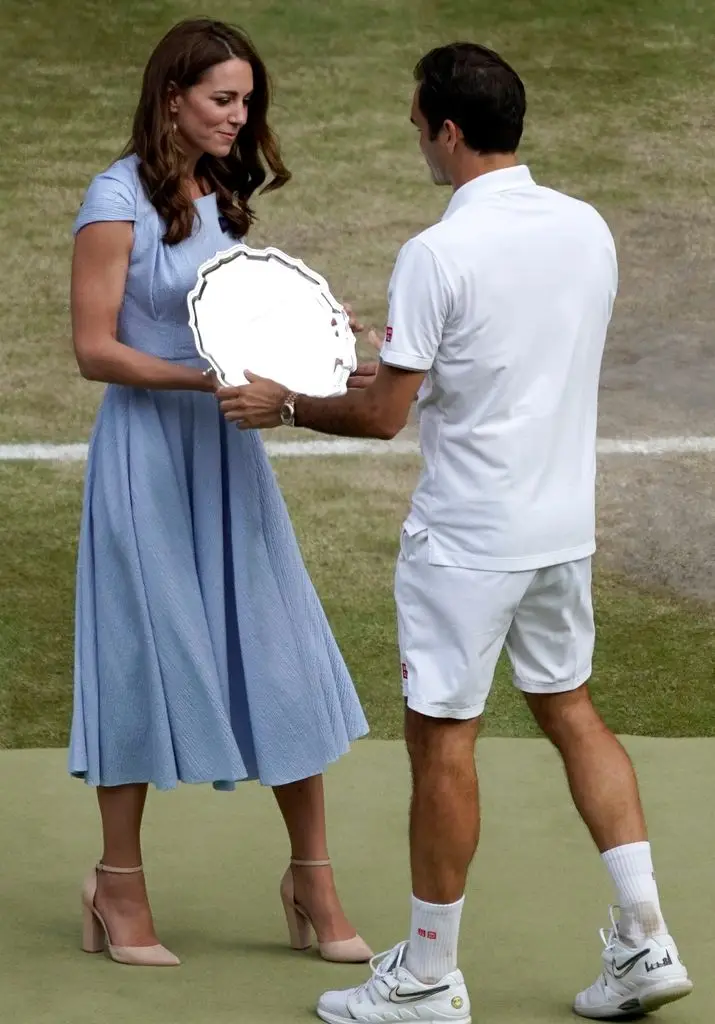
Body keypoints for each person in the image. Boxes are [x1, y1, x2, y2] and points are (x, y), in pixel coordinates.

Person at [217, 41, 694, 1021]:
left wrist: (289, 405)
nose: (414, 141)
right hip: (561, 526)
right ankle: (646, 940)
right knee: (571, 710)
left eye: (414, 125)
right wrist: (394, 371)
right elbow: (503, 361)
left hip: (467, 541)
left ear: (446, 129)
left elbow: (388, 416)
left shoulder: (437, 251)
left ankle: (428, 976)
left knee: (442, 744)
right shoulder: (585, 228)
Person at [68, 17, 372, 969]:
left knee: (275, 654)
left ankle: (311, 878)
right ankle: (119, 890)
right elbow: (95, 349)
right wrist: (208, 380)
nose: (241, 117)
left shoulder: (220, 190)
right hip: (147, 457)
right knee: (139, 660)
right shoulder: (112, 200)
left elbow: (238, 316)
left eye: (247, 101)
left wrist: (315, 344)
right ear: (172, 98)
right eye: (223, 99)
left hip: (229, 457)